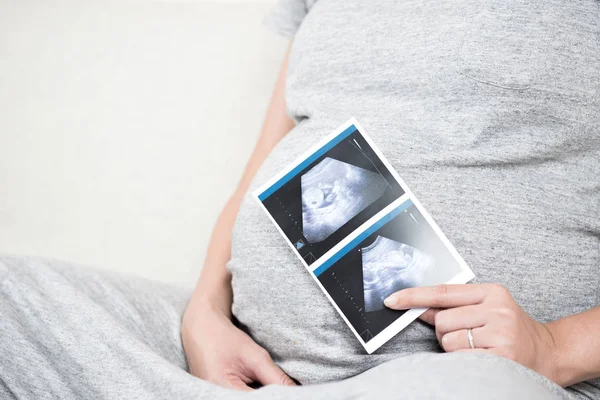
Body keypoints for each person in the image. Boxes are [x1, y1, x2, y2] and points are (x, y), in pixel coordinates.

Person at [1, 0, 598, 399]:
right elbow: (272, 154)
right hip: (241, 360)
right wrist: (205, 311)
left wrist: (557, 348)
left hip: (461, 378)